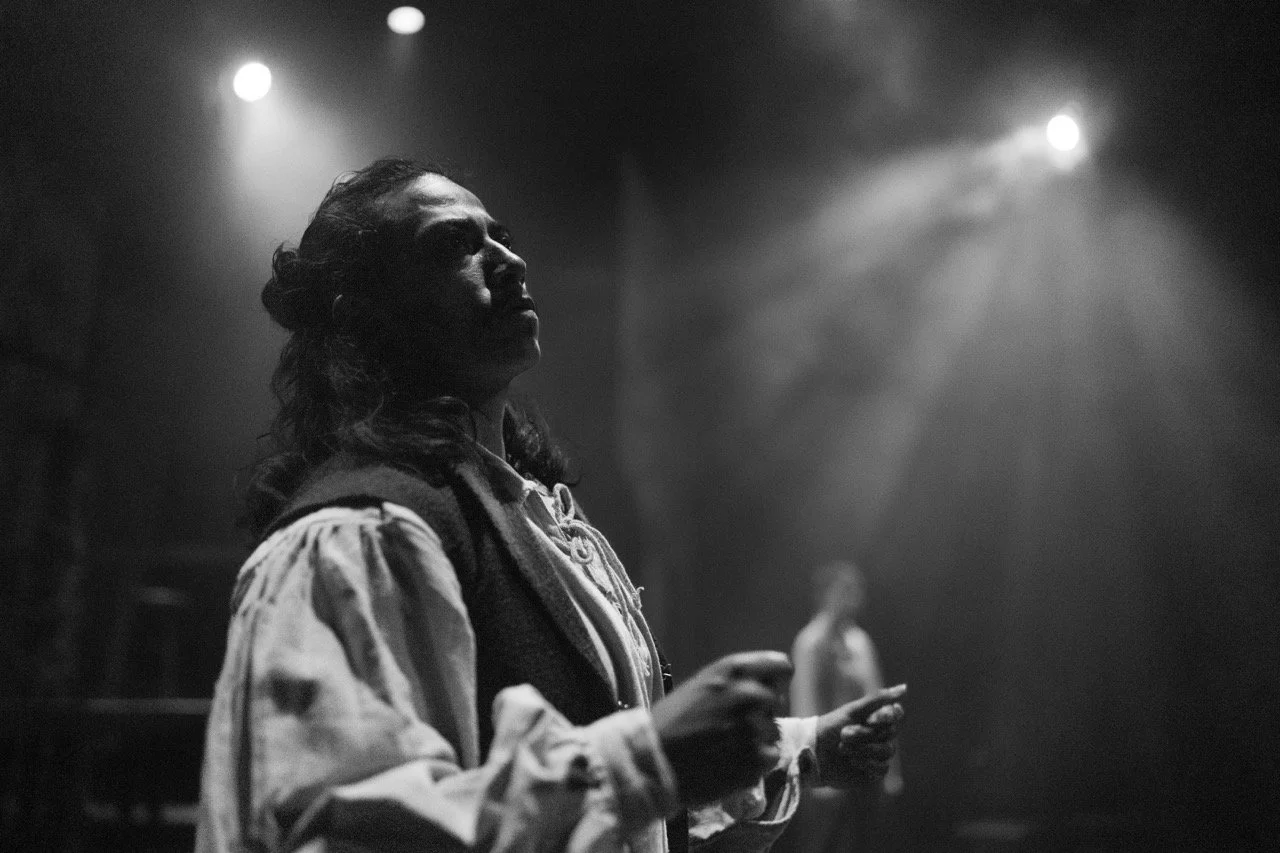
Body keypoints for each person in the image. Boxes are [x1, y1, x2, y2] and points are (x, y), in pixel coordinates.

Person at [195, 157, 906, 853]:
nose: (509, 259)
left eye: (499, 234)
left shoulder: (527, 521)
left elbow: (613, 791)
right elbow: (333, 826)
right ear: (366, 313)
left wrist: (796, 747)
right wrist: (645, 758)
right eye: (454, 245)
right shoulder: (360, 535)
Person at [789, 561, 903, 853]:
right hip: (824, 767)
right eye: (844, 591)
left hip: (862, 768)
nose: (852, 599)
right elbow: (804, 706)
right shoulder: (810, 642)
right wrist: (812, 770)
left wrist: (890, 769)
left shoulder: (860, 641)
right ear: (826, 594)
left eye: (855, 592)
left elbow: (879, 700)